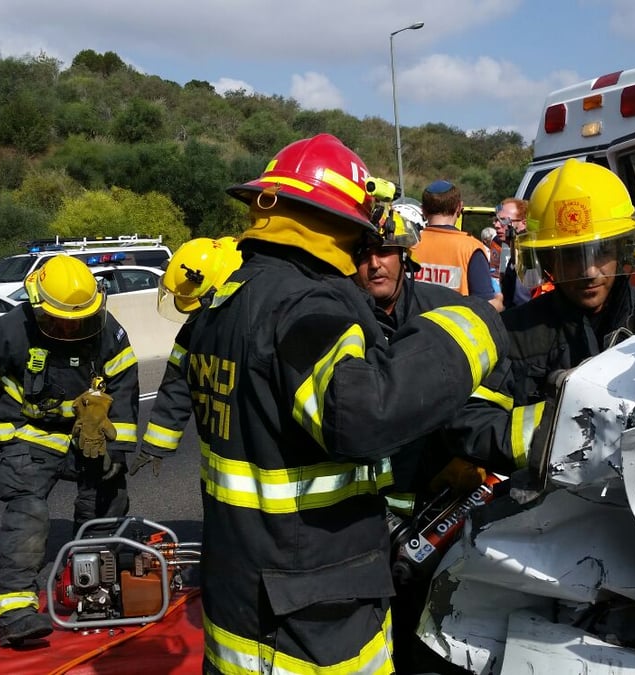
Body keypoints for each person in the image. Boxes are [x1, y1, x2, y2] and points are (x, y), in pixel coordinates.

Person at [188, 133, 506, 674]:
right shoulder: (304, 302)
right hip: (307, 614)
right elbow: (361, 414)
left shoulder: (227, 301)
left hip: (242, 597)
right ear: (340, 225)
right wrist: (475, 326)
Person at [0, 254, 139, 647]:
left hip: (85, 438)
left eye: (79, 321)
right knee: (29, 511)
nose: (70, 327)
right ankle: (15, 610)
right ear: (37, 306)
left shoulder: (107, 332)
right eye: (61, 320)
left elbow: (126, 388)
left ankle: (92, 583)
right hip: (27, 436)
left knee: (108, 497)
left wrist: (120, 450)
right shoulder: (8, 333)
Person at [353, 205, 526, 674]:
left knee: (438, 625)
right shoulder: (340, 320)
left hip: (444, 501)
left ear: (405, 256)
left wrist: (467, 455)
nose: (376, 264)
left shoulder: (446, 310)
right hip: (368, 513)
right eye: (366, 253)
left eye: (387, 252)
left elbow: (495, 387)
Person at [502, 160, 635, 405]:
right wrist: (556, 414)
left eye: (603, 250)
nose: (589, 271)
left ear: (623, 251)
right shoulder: (513, 335)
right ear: (548, 261)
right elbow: (477, 425)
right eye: (571, 255)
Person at [135, 236, 242, 468]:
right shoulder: (203, 319)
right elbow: (177, 379)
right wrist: (157, 443)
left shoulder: (267, 313)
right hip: (219, 464)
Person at [412, 179, 502, 310]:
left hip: (413, 327)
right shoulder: (471, 248)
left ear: (423, 210)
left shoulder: (408, 244)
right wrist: (498, 303)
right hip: (454, 328)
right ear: (459, 208)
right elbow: (484, 307)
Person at [496, 197, 534, 309]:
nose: (497, 225)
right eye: (497, 220)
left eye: (504, 220)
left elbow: (521, 300)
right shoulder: (514, 252)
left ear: (524, 223)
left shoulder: (529, 256)